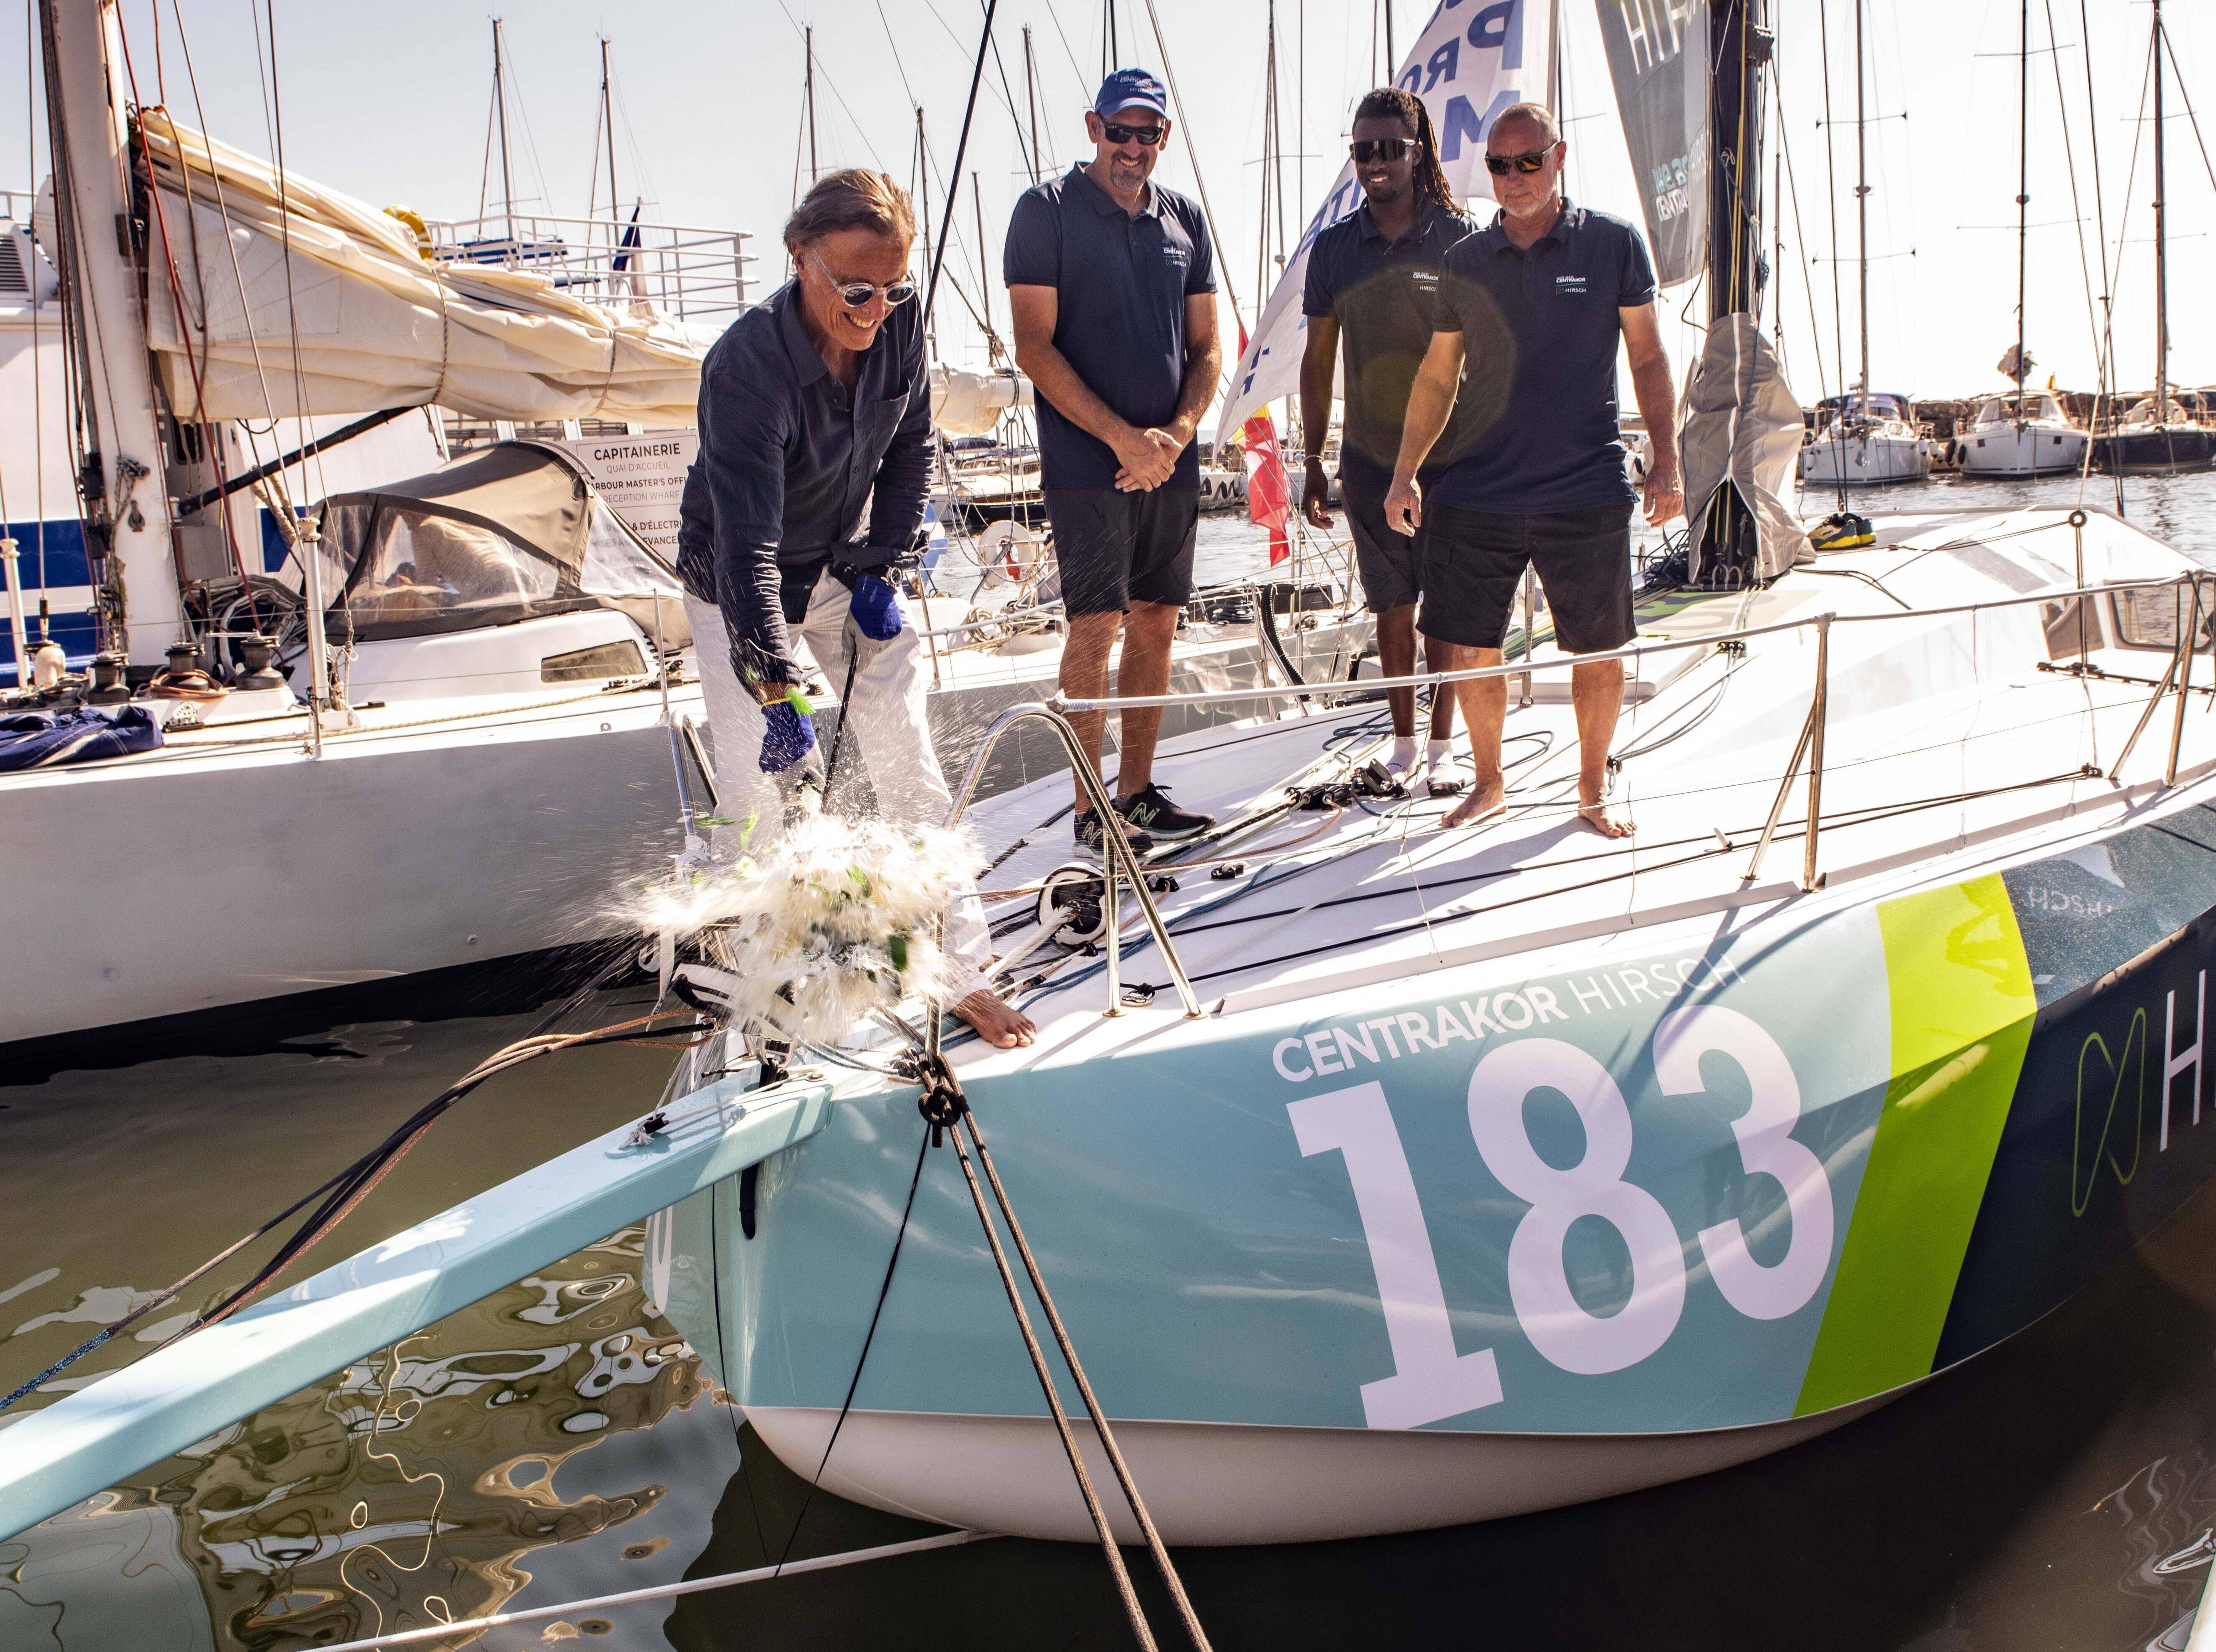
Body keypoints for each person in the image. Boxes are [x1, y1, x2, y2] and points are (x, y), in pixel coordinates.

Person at [676, 168, 1034, 1048]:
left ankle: (961, 976)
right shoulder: (746, 367)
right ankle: (770, 997)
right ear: (800, 259)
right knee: (757, 794)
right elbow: (746, 548)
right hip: (736, 583)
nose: (876, 309)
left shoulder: (899, 324)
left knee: (908, 763)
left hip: (842, 568)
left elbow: (911, 442)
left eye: (893, 287)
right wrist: (773, 684)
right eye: (856, 289)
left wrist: (889, 557)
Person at [1384, 102, 1683, 838]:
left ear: (1559, 158)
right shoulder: (1463, 263)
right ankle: (1489, 784)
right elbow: (1436, 375)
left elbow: (1647, 356)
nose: (1513, 178)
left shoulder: (1613, 245)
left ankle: (1590, 791)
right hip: (1477, 488)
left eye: (1528, 161)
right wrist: (1404, 473)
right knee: (1470, 642)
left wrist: (1668, 460)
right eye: (1498, 165)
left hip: (1585, 484)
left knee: (1600, 646)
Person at [1005, 67, 1223, 855]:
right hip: (1087, 460)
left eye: (1150, 133)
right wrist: (1122, 440)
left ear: (1166, 136)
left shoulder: (1183, 218)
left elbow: (1207, 349)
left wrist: (1175, 433)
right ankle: (1090, 811)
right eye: (1121, 131)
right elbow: (1035, 346)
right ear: (1094, 127)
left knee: (1159, 620)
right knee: (1095, 626)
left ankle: (1137, 794)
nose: (1134, 147)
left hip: (1169, 457)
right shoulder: (1046, 211)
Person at [1299, 86, 1475, 795]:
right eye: (1362, 150)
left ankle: (1443, 749)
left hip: (1452, 459)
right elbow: (1316, 360)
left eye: (1389, 148)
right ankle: (1403, 745)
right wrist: (1311, 460)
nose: (1375, 162)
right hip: (1369, 460)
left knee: (1448, 609)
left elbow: (1488, 355)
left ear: (1418, 150)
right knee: (1391, 605)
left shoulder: (1459, 239)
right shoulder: (1336, 250)